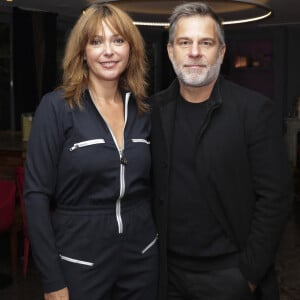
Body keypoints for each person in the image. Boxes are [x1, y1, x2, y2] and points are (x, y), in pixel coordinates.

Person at [150, 2, 292, 300]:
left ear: (222, 52)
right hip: (166, 276)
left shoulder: (255, 111)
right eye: (184, 42)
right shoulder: (152, 112)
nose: (195, 52)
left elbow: (275, 198)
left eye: (206, 42)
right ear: (170, 51)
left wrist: (249, 276)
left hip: (230, 276)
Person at [24, 2, 158, 300]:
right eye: (96, 42)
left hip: (142, 258)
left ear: (131, 49)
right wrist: (52, 279)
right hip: (80, 260)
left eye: (118, 40)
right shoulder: (57, 107)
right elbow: (35, 197)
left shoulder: (143, 109)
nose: (108, 51)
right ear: (82, 52)